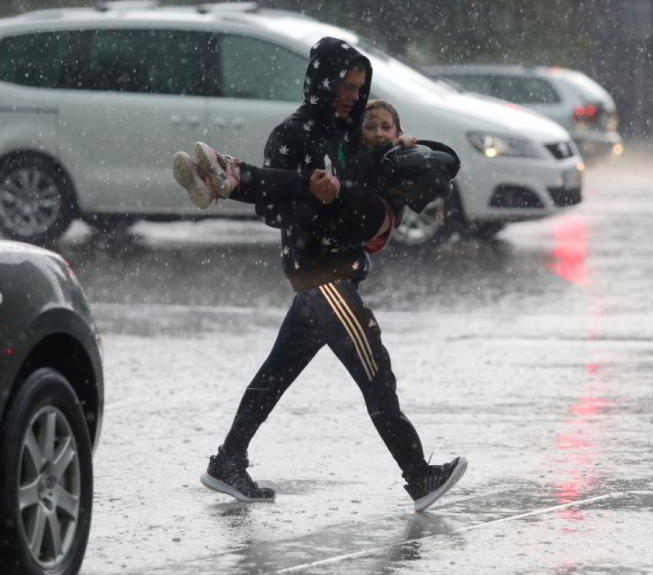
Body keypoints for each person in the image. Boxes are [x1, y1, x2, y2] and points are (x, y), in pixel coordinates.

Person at [192, 37, 467, 513]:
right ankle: (418, 475)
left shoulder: (352, 133)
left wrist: (394, 149)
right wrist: (315, 199)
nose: (352, 96)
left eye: (360, 88)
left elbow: (403, 177)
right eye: (345, 85)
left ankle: (227, 461)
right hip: (321, 274)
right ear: (322, 80)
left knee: (276, 373)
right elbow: (272, 211)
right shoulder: (292, 134)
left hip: (339, 271)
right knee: (375, 371)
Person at [172, 99, 458, 254]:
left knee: (313, 182)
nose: (379, 133)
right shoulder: (353, 154)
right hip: (342, 218)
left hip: (371, 221)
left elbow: (430, 187)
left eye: (387, 127)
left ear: (398, 131)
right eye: (371, 127)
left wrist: (407, 151)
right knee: (298, 190)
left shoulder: (394, 155)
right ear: (359, 131)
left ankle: (234, 173)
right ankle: (217, 185)